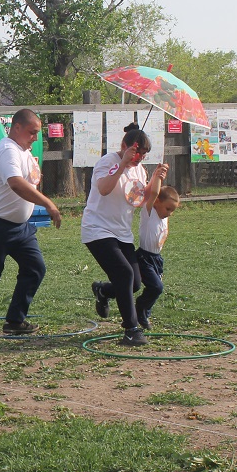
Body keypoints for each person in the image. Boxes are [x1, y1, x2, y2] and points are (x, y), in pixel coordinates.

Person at [0, 109, 61, 336]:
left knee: (35, 268)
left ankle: (15, 321)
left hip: (21, 228)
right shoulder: (8, 150)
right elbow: (16, 183)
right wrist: (48, 203)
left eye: (37, 133)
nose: (35, 138)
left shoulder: (23, 150)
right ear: (17, 127)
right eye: (32, 132)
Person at [81, 122, 169, 346]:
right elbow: (104, 189)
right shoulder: (107, 162)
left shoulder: (139, 169)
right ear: (124, 146)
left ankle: (103, 291)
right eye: (137, 152)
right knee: (123, 273)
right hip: (98, 229)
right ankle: (131, 330)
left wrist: (156, 177)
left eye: (144, 154)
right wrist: (121, 164)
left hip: (122, 232)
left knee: (135, 283)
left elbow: (140, 197)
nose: (140, 157)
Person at [135, 179, 179, 330]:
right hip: (144, 257)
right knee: (156, 287)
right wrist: (159, 176)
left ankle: (144, 313)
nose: (170, 214)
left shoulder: (163, 217)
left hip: (157, 258)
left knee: (155, 289)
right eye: (168, 209)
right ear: (157, 202)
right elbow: (154, 192)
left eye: (172, 211)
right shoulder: (149, 212)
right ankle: (140, 308)